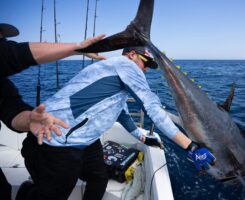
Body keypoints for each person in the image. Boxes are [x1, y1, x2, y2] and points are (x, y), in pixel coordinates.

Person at [21, 46, 216, 200]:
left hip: (85, 140)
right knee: (53, 195)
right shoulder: (126, 66)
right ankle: (26, 192)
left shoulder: (116, 74)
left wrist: (142, 137)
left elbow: (121, 114)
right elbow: (152, 108)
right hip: (55, 140)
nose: (146, 69)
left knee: (99, 177)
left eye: (149, 66)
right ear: (131, 55)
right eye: (145, 62)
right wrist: (190, 146)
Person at [0, 23, 106, 200]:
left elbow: (12, 111)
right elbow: (11, 55)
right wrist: (76, 48)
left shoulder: (3, 86)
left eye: (3, 39)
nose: (3, 42)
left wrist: (29, 120)